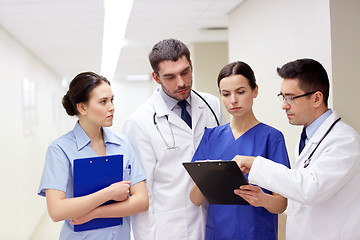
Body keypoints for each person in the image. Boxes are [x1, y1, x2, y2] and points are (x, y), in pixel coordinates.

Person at [234, 58, 360, 240]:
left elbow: (310, 188)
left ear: (317, 98)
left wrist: (256, 164)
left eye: (291, 98)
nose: (284, 105)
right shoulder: (308, 138)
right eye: (282, 97)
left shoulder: (345, 141)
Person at [122, 38, 226, 240]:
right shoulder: (139, 122)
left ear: (191, 66)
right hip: (170, 229)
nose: (181, 83)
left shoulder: (211, 104)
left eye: (185, 72)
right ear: (156, 77)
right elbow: (143, 192)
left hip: (214, 222)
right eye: (170, 77)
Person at [38, 72, 148, 240]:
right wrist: (108, 193)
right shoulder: (60, 149)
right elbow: (56, 210)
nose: (111, 107)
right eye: (103, 102)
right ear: (82, 108)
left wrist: (95, 213)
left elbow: (141, 201)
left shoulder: (123, 144)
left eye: (112, 100)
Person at [189, 61, 290, 240]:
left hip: (257, 233)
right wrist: (209, 176)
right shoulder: (211, 137)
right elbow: (195, 200)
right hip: (218, 233)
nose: (233, 100)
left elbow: (281, 204)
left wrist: (262, 199)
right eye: (226, 94)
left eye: (241, 92)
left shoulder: (272, 138)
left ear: (255, 91)